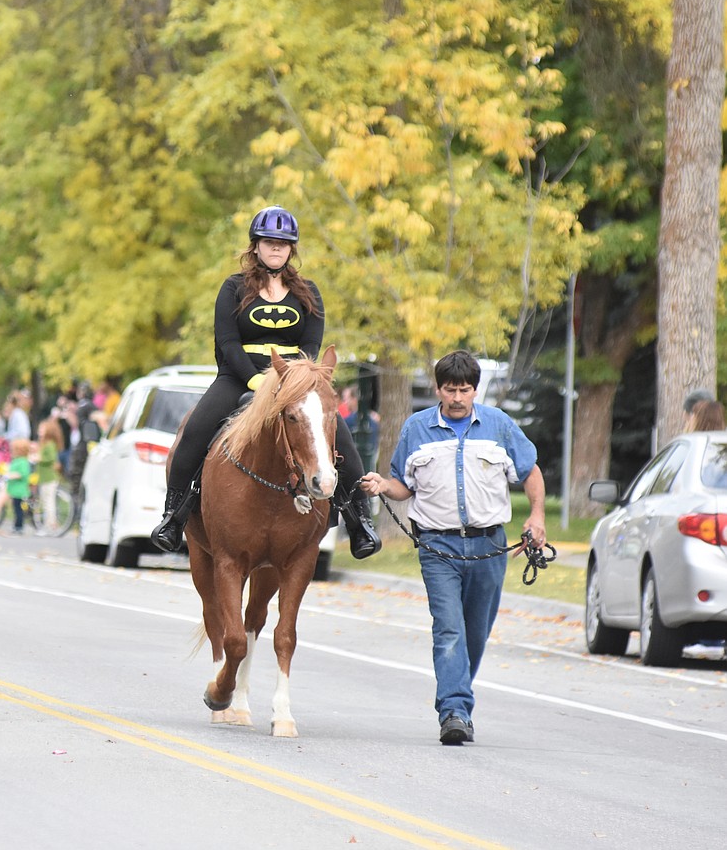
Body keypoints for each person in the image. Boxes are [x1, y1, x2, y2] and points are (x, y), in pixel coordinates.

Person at [150, 205, 380, 558]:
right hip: (240, 376)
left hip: (294, 379)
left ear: (292, 249)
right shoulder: (233, 287)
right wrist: (256, 381)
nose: (276, 248)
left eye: (283, 243)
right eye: (269, 242)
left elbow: (311, 345)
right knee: (195, 432)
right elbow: (227, 342)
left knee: (340, 436)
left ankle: (359, 521)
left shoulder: (308, 291)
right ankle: (174, 516)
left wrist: (291, 380)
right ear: (255, 246)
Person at [359, 349, 547, 745]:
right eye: (450, 390)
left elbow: (529, 471)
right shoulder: (416, 428)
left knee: (474, 632)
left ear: (475, 389)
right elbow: (402, 485)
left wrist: (537, 517)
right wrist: (382, 486)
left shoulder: (499, 425)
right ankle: (455, 712)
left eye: (464, 390)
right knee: (448, 630)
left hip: (489, 546)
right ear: (438, 389)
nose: (458, 397)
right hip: (437, 547)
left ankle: (457, 697)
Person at [0, 437, 32, 534]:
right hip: (13, 489)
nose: (11, 451)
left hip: (19, 491)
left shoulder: (23, 461)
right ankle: (14, 525)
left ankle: (19, 527)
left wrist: (9, 475)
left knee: (19, 510)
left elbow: (22, 474)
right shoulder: (16, 461)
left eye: (13, 449)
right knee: (15, 509)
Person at [35, 416, 64, 533]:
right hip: (44, 478)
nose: (39, 431)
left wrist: (39, 458)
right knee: (44, 501)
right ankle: (47, 523)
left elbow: (51, 458)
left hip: (49, 478)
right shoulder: (43, 444)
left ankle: (50, 524)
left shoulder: (50, 444)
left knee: (49, 502)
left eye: (42, 429)